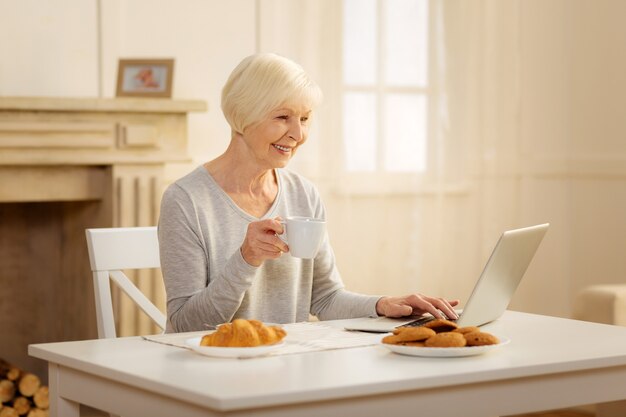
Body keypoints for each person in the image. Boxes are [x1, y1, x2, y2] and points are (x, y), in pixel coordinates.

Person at [158, 53, 459, 333]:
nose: (298, 135)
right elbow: (185, 325)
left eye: (304, 118)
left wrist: (382, 305)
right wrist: (246, 259)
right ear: (243, 116)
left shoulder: (303, 193)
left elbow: (325, 298)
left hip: (287, 365)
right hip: (207, 371)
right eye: (282, 117)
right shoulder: (186, 200)